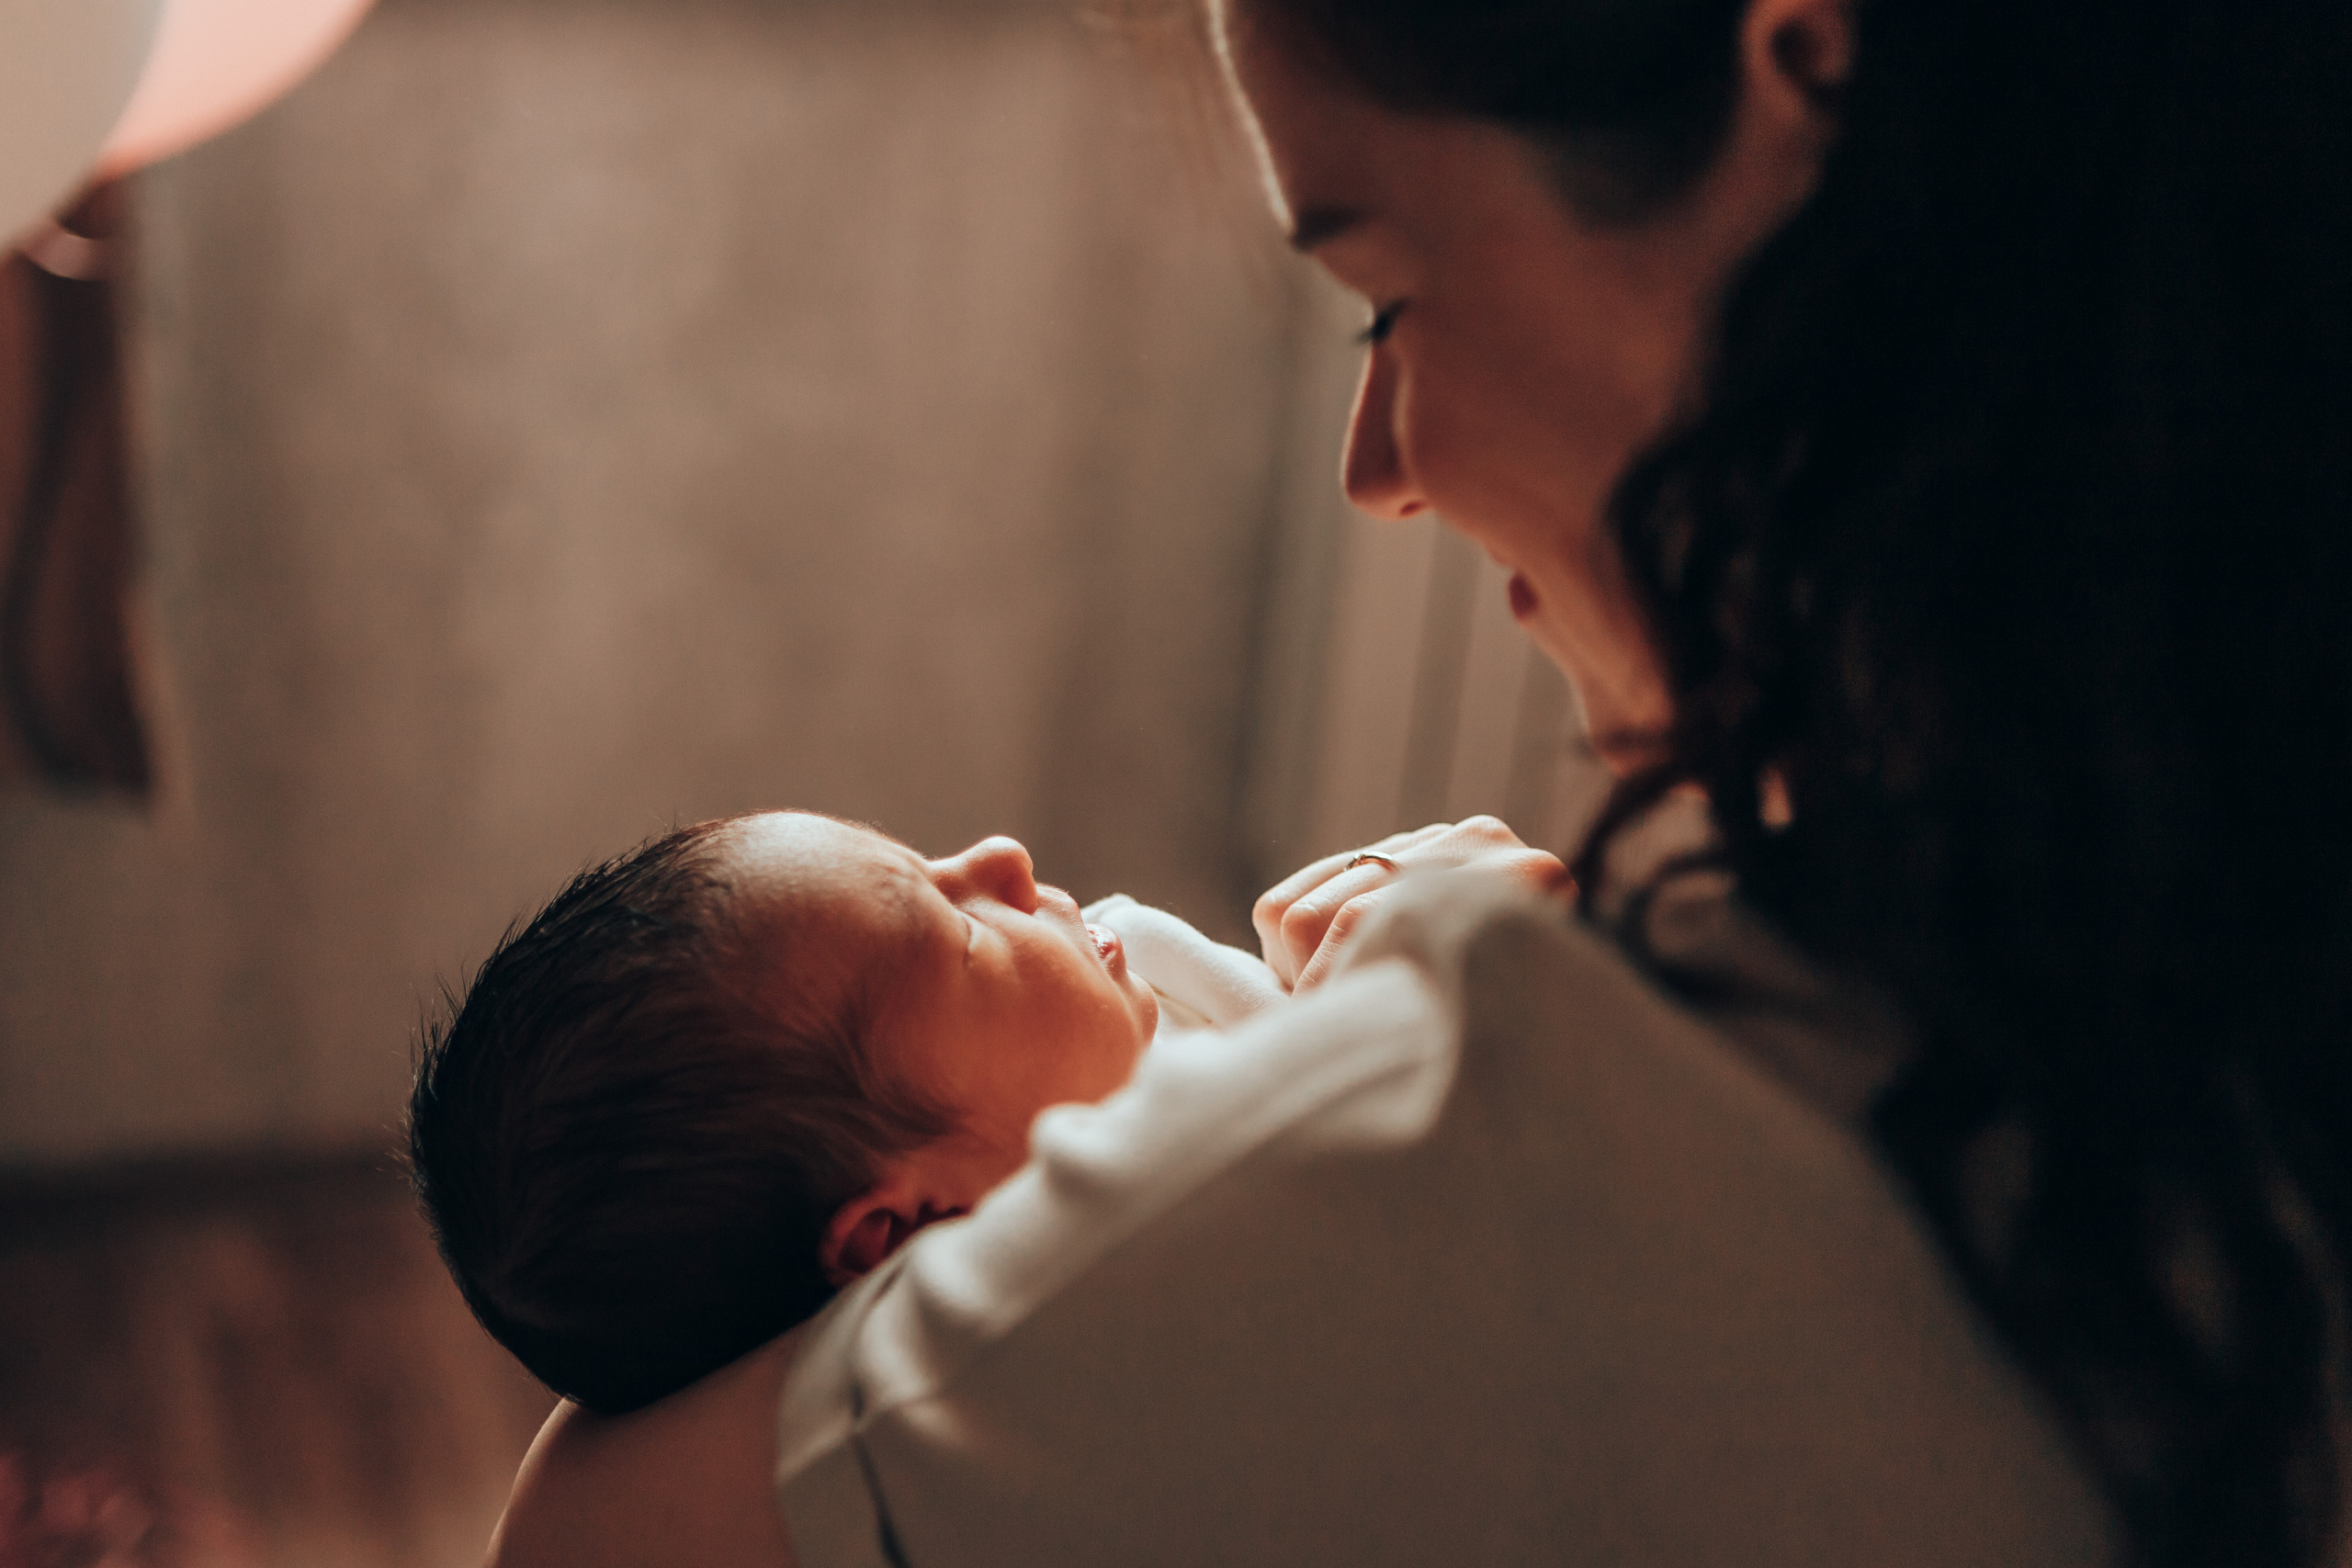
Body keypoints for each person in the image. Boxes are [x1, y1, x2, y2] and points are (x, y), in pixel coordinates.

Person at [481, 0, 2352, 1563]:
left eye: (1383, 294)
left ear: (1801, 97)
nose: (1375, 465)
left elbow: (585, 1533)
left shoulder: (1586, 1120)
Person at [407, 810, 1284, 1416]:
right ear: (897, 1231)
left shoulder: (1116, 975)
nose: (1003, 857)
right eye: (963, 938)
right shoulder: (1132, 1324)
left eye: (927, 862)